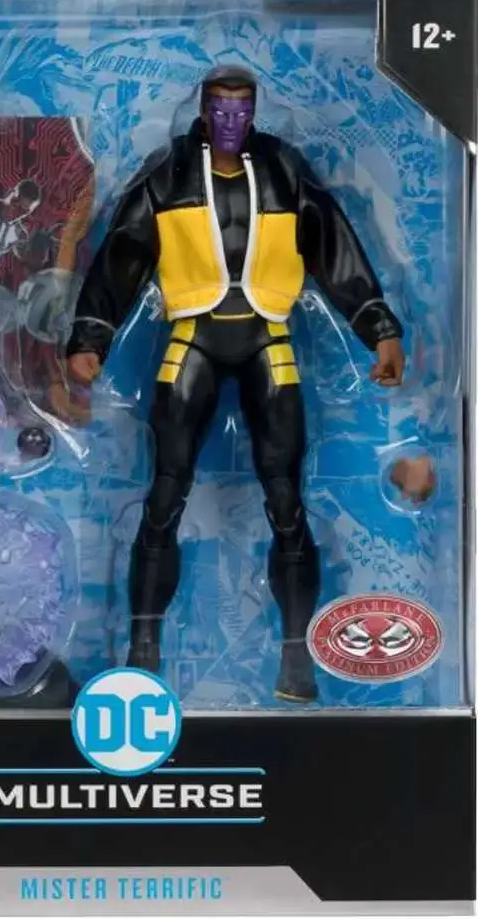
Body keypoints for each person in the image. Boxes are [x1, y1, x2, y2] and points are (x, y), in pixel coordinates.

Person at [66, 65, 404, 701]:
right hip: (190, 338)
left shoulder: (284, 169)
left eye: (241, 111)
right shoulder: (168, 173)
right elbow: (122, 255)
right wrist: (91, 337)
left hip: (268, 338)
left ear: (253, 114)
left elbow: (334, 245)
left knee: (286, 501)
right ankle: (144, 646)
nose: (230, 121)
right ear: (202, 110)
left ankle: (297, 654)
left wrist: (377, 326)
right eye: (219, 110)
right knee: (164, 497)